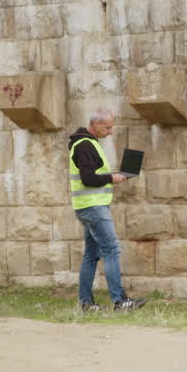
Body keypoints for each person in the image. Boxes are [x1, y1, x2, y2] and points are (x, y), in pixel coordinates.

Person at [69, 109, 145, 312]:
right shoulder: (84, 145)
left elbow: (93, 175)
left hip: (89, 206)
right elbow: (87, 178)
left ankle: (86, 303)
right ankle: (120, 301)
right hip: (93, 207)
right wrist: (112, 178)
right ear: (95, 124)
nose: (111, 132)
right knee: (111, 250)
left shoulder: (88, 143)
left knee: (91, 255)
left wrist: (114, 175)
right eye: (108, 127)